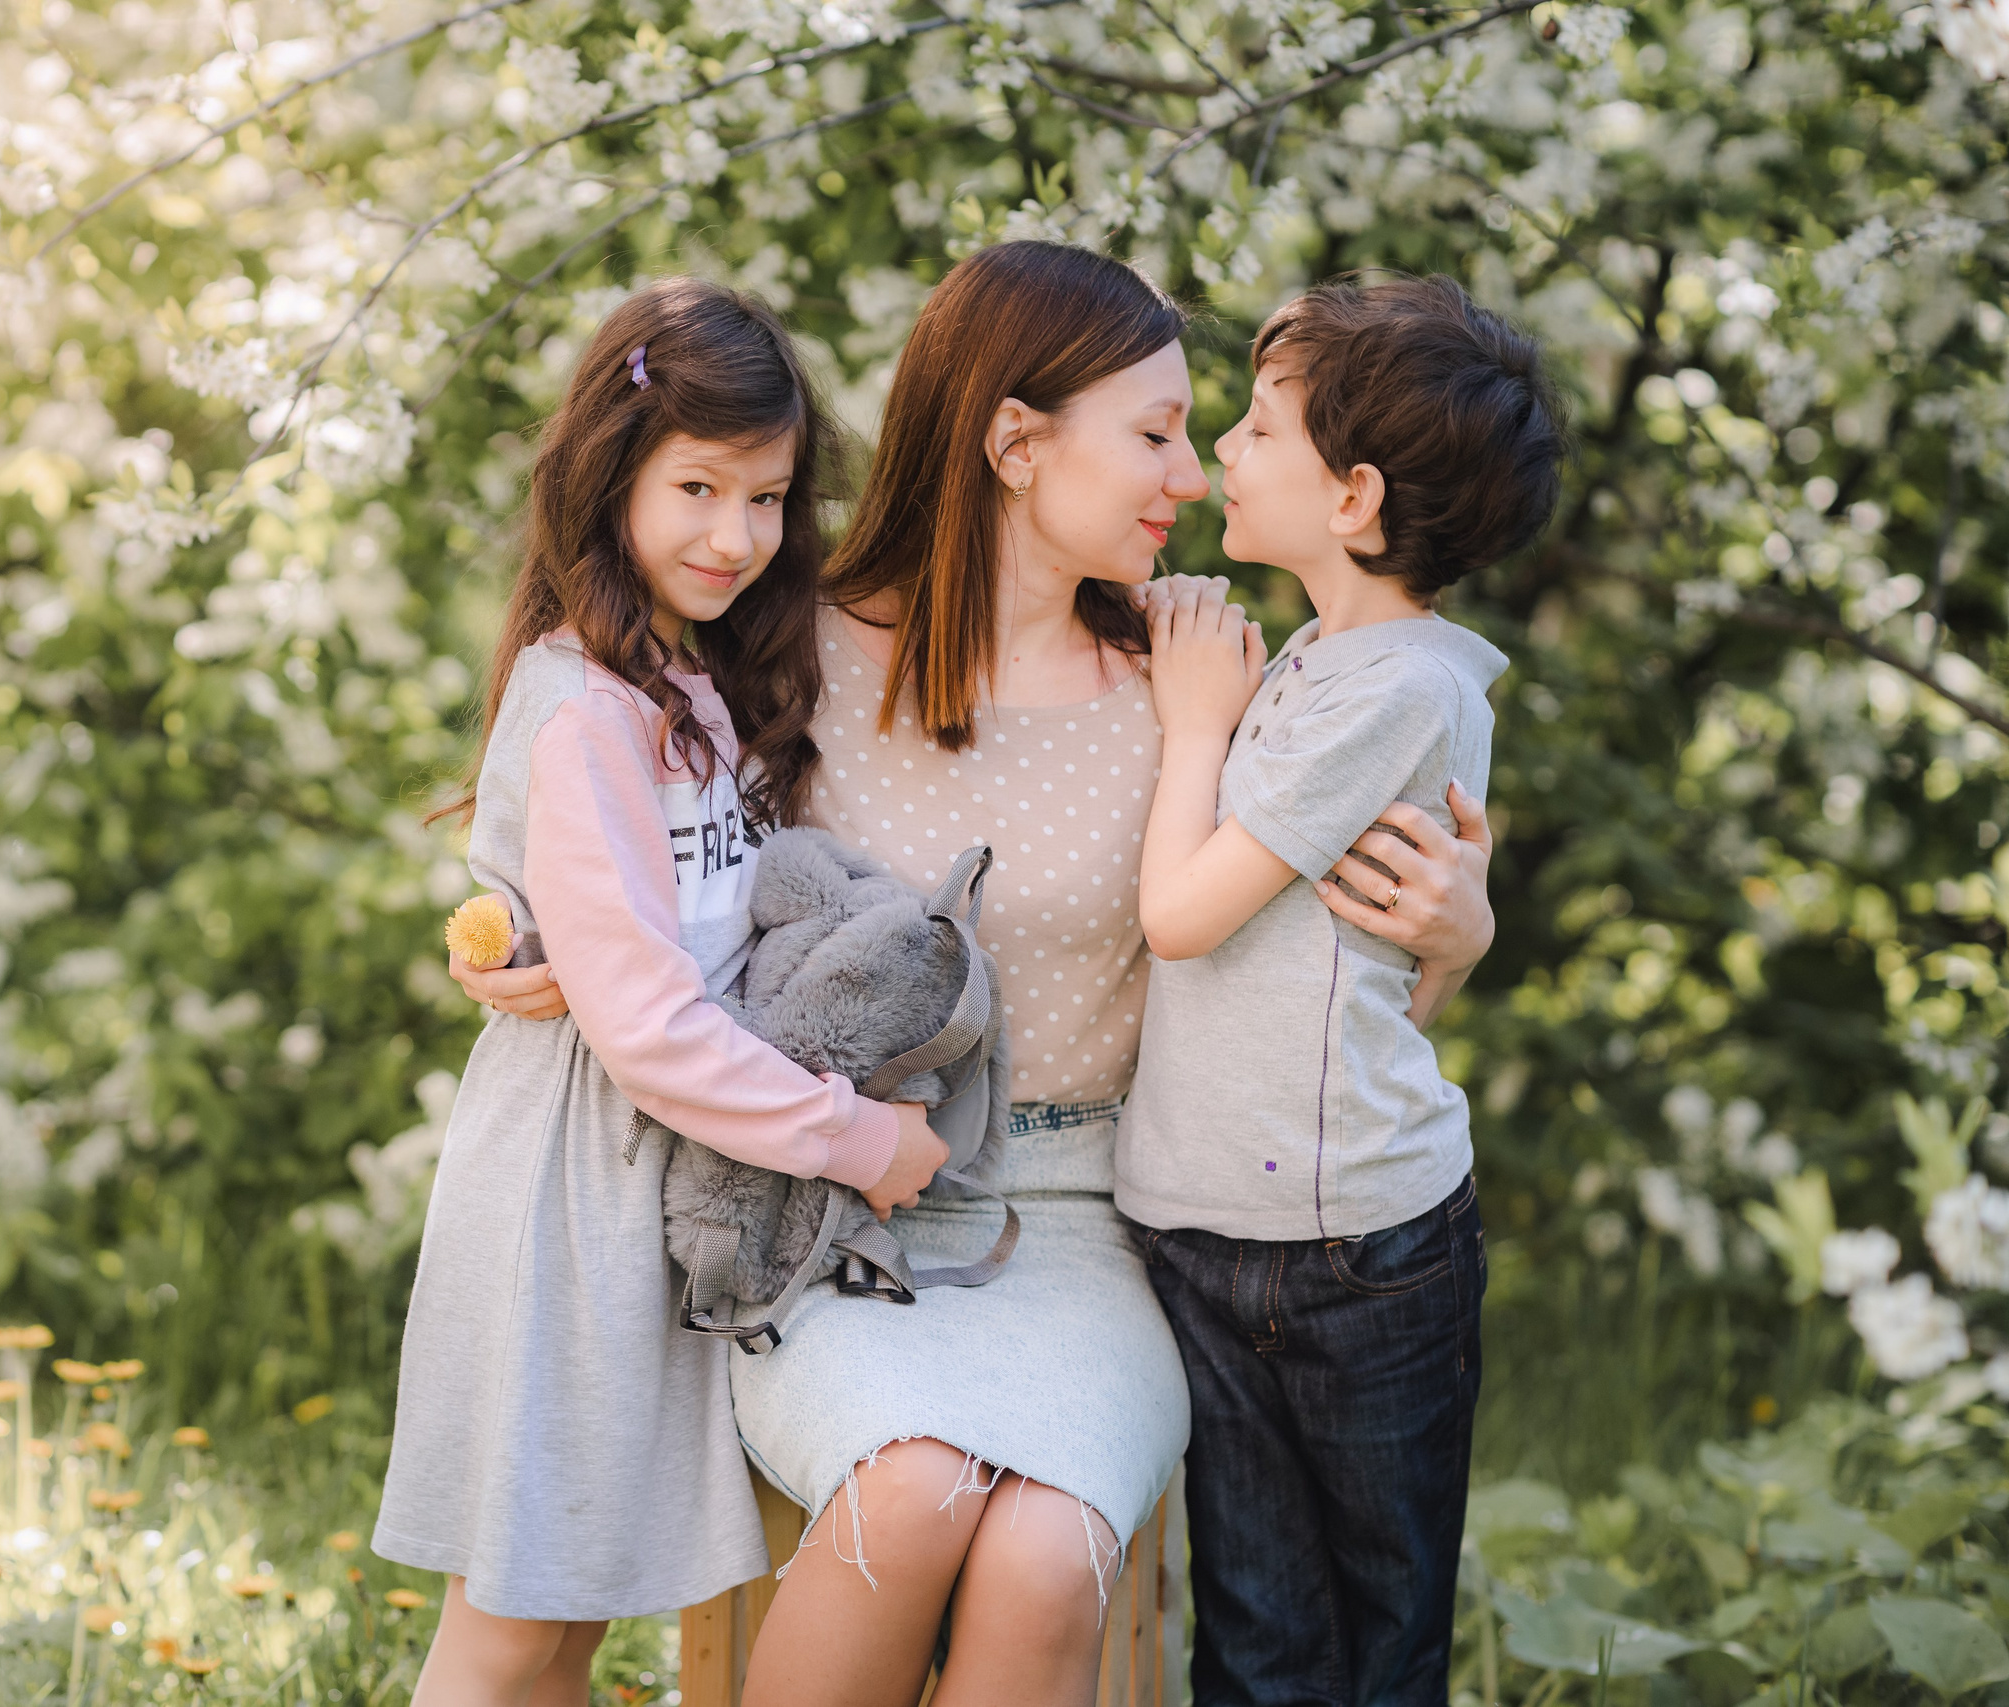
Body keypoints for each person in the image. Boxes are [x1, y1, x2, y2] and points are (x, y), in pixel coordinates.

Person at [455, 243, 1501, 1707]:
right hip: (834, 1210)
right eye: (1154, 432)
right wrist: (521, 938)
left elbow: (1309, 992)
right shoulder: (787, 648)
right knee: (909, 1496)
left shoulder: (1200, 673)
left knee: (1044, 1557)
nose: (1190, 475)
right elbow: (636, 828)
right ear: (1016, 442)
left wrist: (1457, 935)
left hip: (1092, 1222)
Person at [375, 276, 948, 1707]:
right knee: (512, 1624)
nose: (734, 536)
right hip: (575, 1192)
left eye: (766, 499)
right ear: (611, 474)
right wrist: (858, 1139)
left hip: (651, 1182)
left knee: (569, 1623)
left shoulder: (678, 688)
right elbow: (648, 1027)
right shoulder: (587, 709)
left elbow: (654, 932)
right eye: (697, 487)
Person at [1125, 273, 1568, 1707]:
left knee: (1379, 1646)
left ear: (1356, 499)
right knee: (1257, 1638)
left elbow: (1181, 918)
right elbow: (1346, 971)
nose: (1221, 451)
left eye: (1259, 427)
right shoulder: (1322, 662)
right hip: (1212, 1226)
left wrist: (1196, 724)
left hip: (1354, 1250)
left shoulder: (1401, 690)